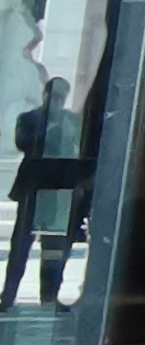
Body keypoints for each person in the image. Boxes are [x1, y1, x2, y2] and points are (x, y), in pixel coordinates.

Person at [8, 75, 87, 307]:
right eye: (54, 96)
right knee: (21, 244)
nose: (57, 101)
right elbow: (22, 143)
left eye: (61, 97)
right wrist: (47, 130)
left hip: (59, 190)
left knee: (55, 246)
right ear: (45, 95)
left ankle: (49, 295)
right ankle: (8, 295)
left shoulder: (72, 120)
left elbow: (78, 148)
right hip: (33, 188)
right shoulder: (29, 118)